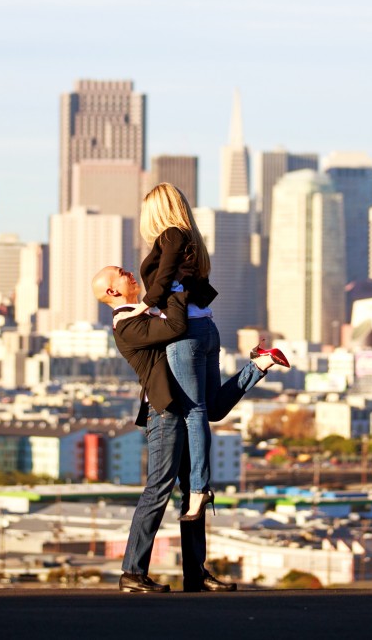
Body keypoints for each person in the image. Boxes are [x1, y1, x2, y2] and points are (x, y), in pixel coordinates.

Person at [92, 265, 283, 593]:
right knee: (158, 489)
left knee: (192, 493)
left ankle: (195, 573)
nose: (130, 273)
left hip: (182, 408)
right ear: (112, 292)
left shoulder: (143, 312)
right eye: (122, 272)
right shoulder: (127, 324)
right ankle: (132, 573)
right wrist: (175, 289)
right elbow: (177, 326)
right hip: (165, 414)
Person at [131, 183, 289, 521]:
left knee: (194, 412)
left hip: (186, 335)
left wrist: (142, 307)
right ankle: (259, 363)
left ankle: (199, 488)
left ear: (156, 213)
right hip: (207, 329)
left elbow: (163, 281)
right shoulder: (193, 241)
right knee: (212, 409)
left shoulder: (171, 236)